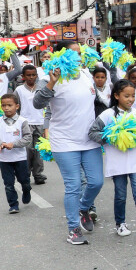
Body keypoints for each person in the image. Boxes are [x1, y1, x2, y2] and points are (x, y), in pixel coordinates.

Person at [34, 45, 104, 245]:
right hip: (64, 141)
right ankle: (73, 229)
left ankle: (83, 207)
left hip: (89, 139)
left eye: (79, 52)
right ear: (61, 54)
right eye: (73, 52)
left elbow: (98, 103)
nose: (78, 56)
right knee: (73, 185)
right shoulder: (50, 77)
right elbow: (37, 103)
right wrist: (52, 83)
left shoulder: (86, 74)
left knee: (96, 182)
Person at [88, 80, 136, 240]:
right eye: (126, 96)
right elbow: (92, 132)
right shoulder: (108, 114)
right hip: (117, 162)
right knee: (120, 194)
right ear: (117, 96)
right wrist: (112, 137)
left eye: (133, 96)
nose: (130, 99)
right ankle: (120, 224)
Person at [0, 94, 33, 214]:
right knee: (8, 183)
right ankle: (13, 204)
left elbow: (27, 138)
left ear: (17, 106)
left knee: (24, 180)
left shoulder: (22, 121)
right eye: (4, 105)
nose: (6, 108)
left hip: (20, 158)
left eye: (10, 105)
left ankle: (26, 189)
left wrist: (13, 144)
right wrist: (1, 143)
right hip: (5, 159)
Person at [14, 64, 48, 185]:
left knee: (39, 150)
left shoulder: (42, 89)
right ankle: (26, 174)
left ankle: (38, 174)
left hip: (40, 122)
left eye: (33, 75)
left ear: (37, 76)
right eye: (28, 75)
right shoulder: (19, 90)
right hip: (26, 124)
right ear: (23, 76)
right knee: (27, 150)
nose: (31, 77)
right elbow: (15, 107)